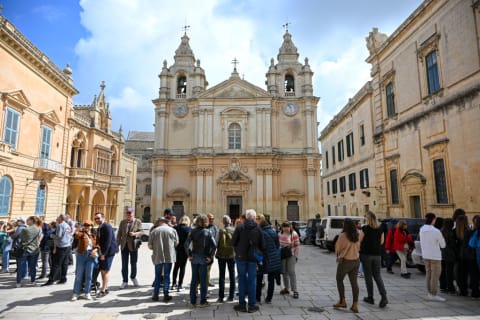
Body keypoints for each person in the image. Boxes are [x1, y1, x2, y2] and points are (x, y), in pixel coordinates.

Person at [231, 209, 264, 313]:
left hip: (241, 258)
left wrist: (238, 251)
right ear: (254, 218)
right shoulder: (258, 229)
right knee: (252, 281)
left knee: (241, 280)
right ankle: (252, 305)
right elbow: (263, 245)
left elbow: (233, 242)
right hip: (253, 259)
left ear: (245, 216)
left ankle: (241, 304)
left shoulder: (240, 227)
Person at [185, 214, 216, 307]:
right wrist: (210, 256)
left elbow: (186, 244)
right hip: (204, 258)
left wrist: (189, 255)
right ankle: (203, 301)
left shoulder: (192, 231)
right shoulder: (208, 232)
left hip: (194, 257)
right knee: (203, 280)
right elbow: (214, 245)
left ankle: (192, 301)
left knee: (194, 279)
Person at [359, 211, 388, 308]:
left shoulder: (365, 228)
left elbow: (359, 240)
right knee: (377, 276)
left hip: (366, 254)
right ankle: (384, 296)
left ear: (367, 218)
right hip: (377, 254)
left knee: (368, 276)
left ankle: (370, 297)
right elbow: (382, 242)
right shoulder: (381, 229)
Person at [333, 218, 360, 313]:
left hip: (345, 261)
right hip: (356, 260)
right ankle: (355, 304)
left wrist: (338, 256)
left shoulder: (343, 235)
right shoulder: (357, 234)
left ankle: (342, 300)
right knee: (354, 283)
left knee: (339, 279)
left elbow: (338, 248)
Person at [148, 216, 178, 302]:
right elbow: (176, 243)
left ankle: (156, 295)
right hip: (169, 256)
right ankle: (166, 294)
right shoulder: (172, 230)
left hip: (158, 256)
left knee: (157, 276)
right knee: (167, 275)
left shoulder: (154, 231)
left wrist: (156, 248)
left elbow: (150, 245)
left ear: (159, 222)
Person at [419, 212, 446, 301]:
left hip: (425, 255)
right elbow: (443, 245)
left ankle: (429, 293)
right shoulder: (436, 231)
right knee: (435, 275)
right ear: (433, 220)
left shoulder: (422, 229)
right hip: (435, 256)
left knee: (429, 274)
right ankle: (433, 294)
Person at [256, 214, 281, 304]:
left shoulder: (260, 233)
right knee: (271, 279)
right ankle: (269, 298)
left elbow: (259, 247)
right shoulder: (274, 232)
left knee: (259, 277)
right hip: (273, 258)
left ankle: (257, 297)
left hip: (263, 258)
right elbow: (277, 246)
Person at [71, 220, 98, 301]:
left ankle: (87, 292)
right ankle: (76, 293)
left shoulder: (93, 235)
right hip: (81, 255)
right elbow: (76, 235)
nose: (87, 227)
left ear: (91, 226)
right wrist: (77, 229)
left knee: (89, 275)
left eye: (89, 225)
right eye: (86, 225)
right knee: (79, 275)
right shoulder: (81, 233)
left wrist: (95, 250)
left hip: (90, 255)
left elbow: (97, 244)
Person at [42, 214, 72, 286]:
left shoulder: (60, 225)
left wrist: (52, 236)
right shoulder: (67, 225)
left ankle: (51, 280)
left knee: (55, 264)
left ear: (61, 219)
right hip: (67, 246)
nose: (56, 218)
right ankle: (63, 279)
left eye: (58, 217)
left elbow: (59, 236)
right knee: (64, 263)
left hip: (61, 246)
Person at [117, 207, 143, 289]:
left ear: (133, 213)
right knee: (124, 264)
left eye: (130, 213)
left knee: (133, 263)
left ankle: (133, 277)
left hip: (133, 246)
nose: (129, 214)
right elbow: (119, 234)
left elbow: (142, 232)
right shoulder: (122, 222)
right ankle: (124, 281)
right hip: (124, 246)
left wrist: (135, 234)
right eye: (127, 213)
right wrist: (117, 245)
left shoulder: (138, 221)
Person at [95, 212, 118, 297]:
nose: (97, 220)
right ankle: (106, 287)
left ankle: (103, 290)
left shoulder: (107, 226)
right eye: (95, 218)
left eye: (98, 218)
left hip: (109, 252)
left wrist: (103, 254)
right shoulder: (99, 228)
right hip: (103, 252)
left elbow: (108, 242)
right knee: (102, 270)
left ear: (103, 218)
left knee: (106, 270)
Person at [16, 216, 42, 287]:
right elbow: (38, 238)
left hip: (26, 249)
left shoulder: (25, 229)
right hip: (35, 249)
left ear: (31, 221)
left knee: (21, 266)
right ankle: (33, 281)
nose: (27, 221)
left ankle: (18, 282)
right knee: (33, 267)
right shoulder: (38, 229)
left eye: (28, 220)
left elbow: (21, 238)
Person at [216, 215, 235, 303]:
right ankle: (231, 296)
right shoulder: (234, 230)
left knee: (222, 276)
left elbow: (216, 243)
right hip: (232, 255)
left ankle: (221, 297)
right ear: (230, 221)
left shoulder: (220, 231)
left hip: (221, 256)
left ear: (223, 222)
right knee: (232, 276)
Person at [278, 220, 300, 299]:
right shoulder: (280, 234)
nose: (286, 229)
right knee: (284, 272)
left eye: (287, 227)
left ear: (290, 227)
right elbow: (277, 243)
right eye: (284, 227)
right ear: (282, 228)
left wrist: (291, 244)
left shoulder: (293, 234)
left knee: (291, 272)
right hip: (283, 255)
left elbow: (298, 243)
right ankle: (287, 288)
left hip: (291, 254)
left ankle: (295, 290)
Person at [171, 215, 191, 292]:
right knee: (182, 267)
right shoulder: (189, 229)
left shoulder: (175, 228)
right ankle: (180, 285)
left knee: (176, 266)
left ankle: (173, 284)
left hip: (176, 249)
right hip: (185, 250)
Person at [439, 218, 456, 294]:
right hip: (449, 254)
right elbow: (452, 244)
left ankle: (443, 286)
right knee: (449, 271)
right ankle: (450, 288)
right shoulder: (450, 233)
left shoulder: (441, 231)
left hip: (441, 253)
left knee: (443, 271)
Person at [206, 213, 219, 287]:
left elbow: (216, 237)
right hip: (205, 251)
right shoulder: (204, 227)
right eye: (210, 218)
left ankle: (207, 281)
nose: (211, 220)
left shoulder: (214, 227)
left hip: (212, 251)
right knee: (203, 268)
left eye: (212, 218)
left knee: (209, 268)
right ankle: (201, 283)